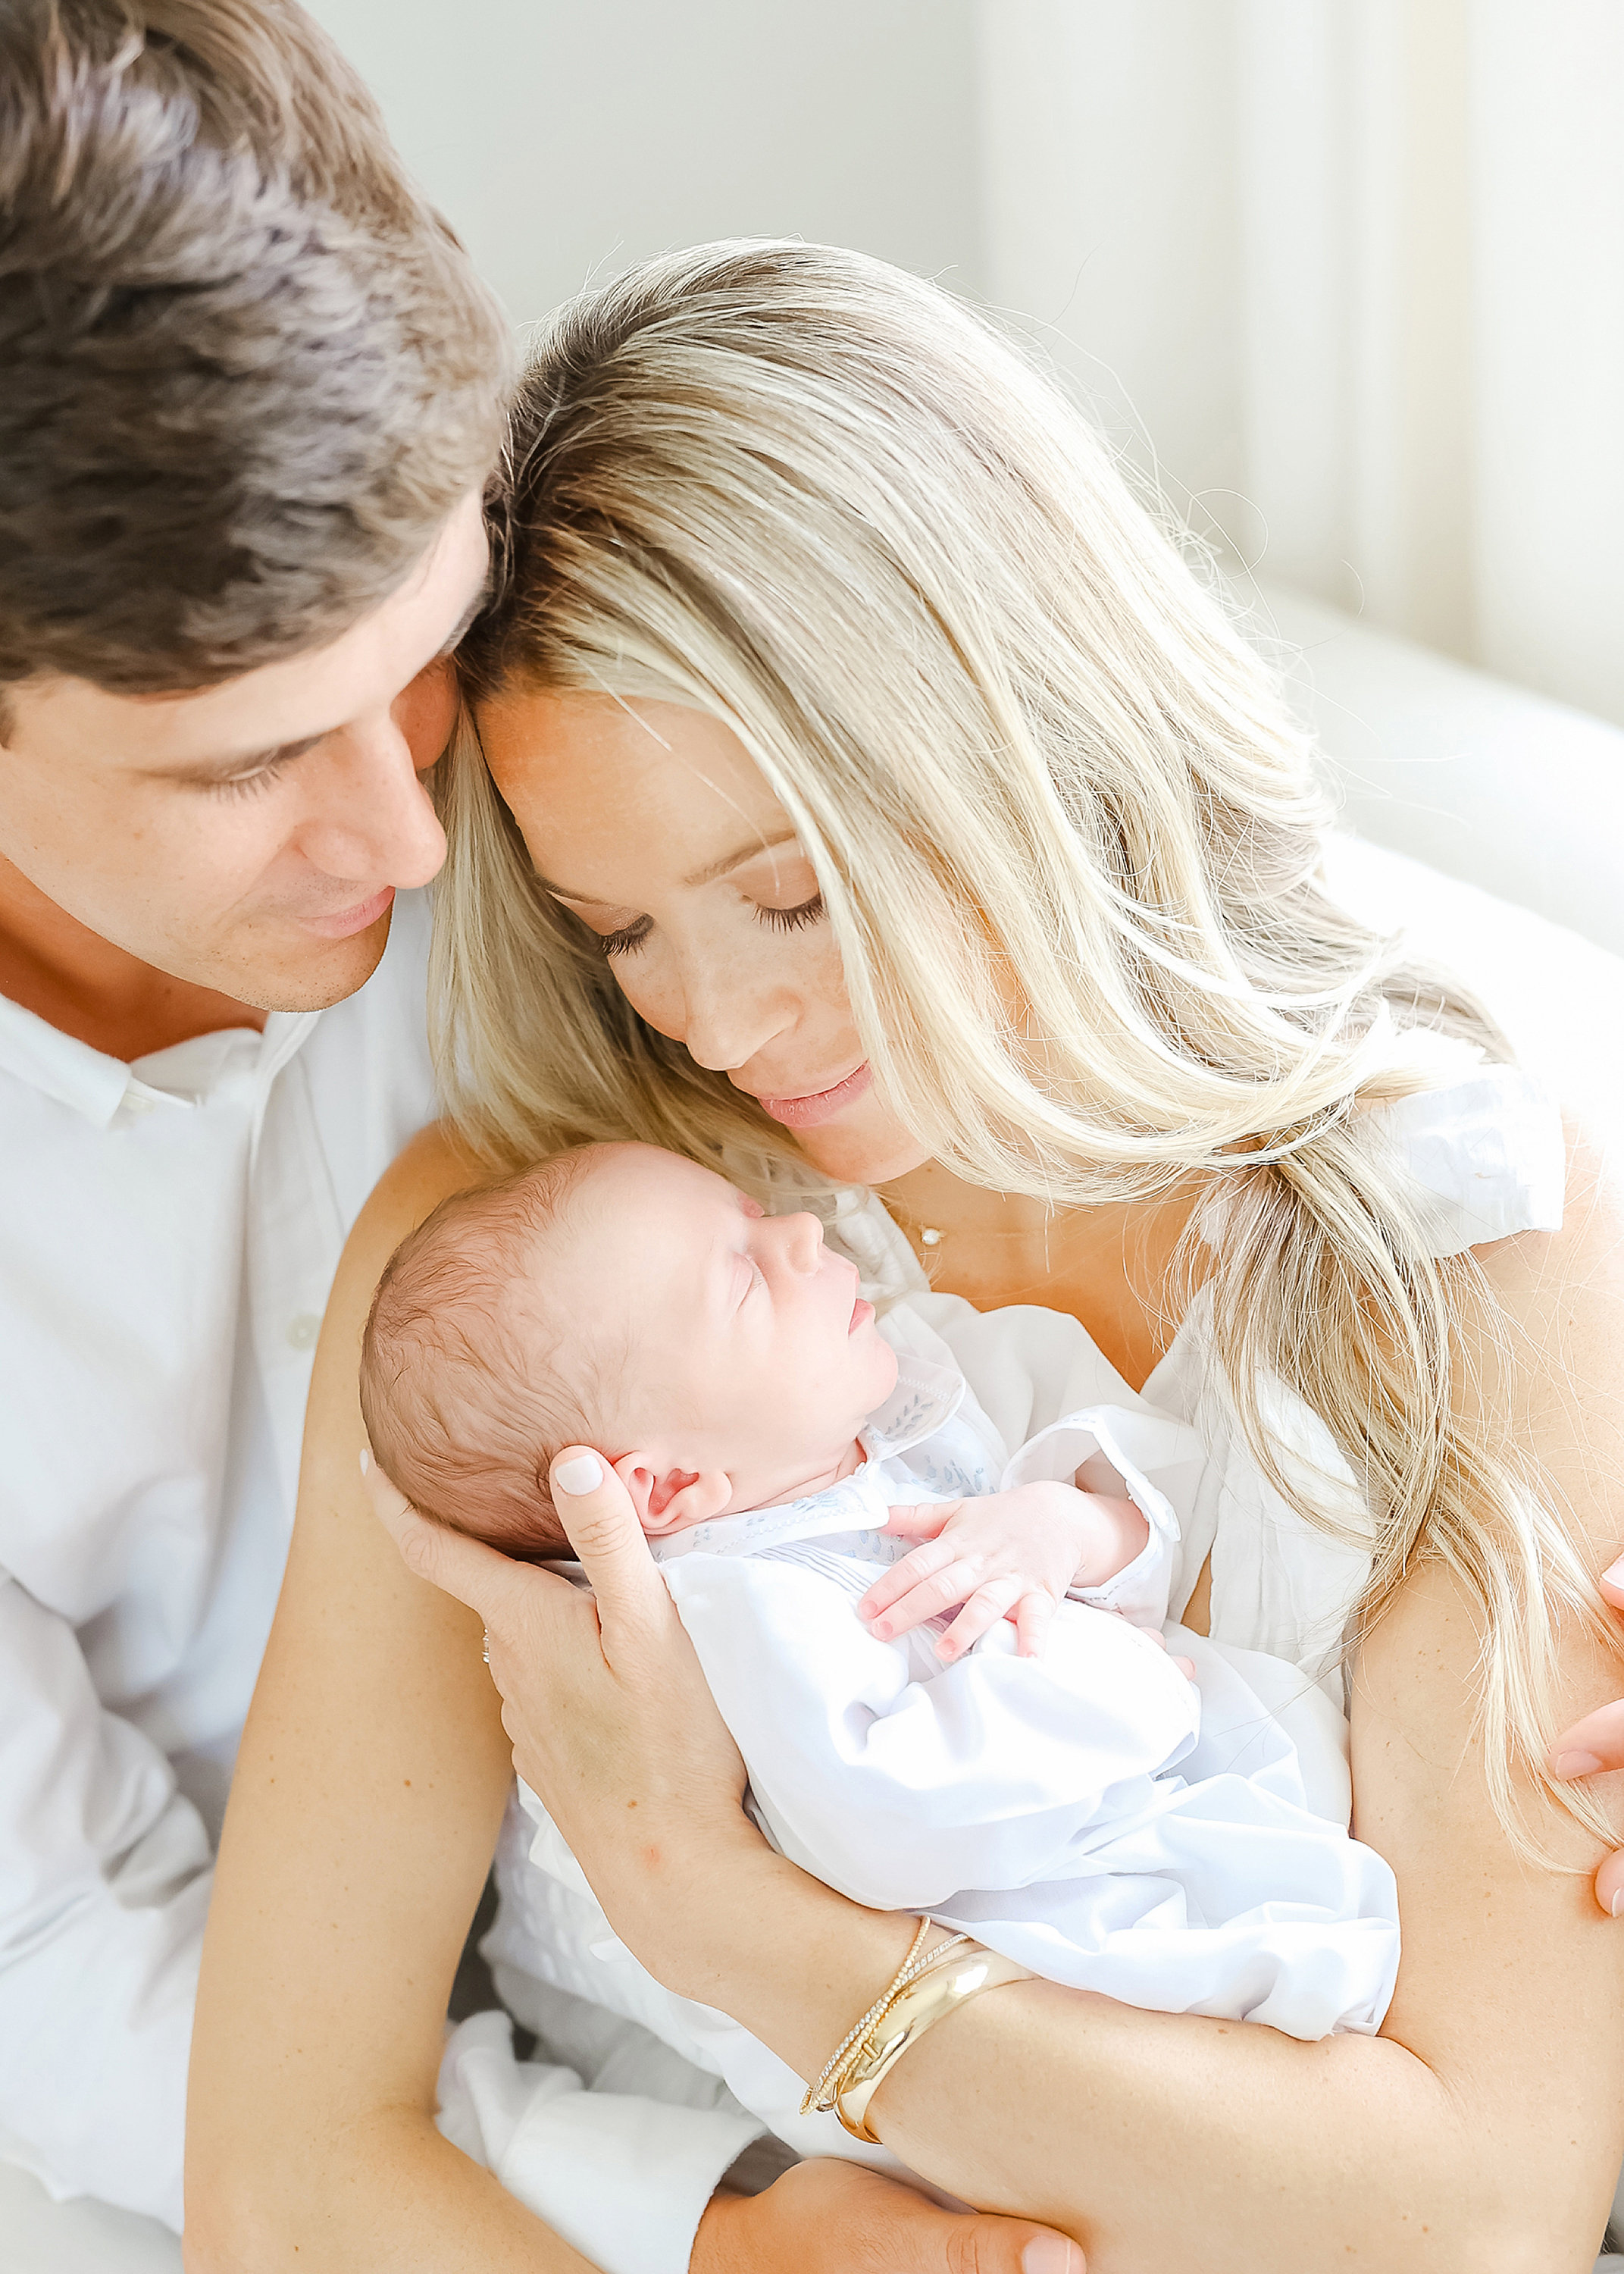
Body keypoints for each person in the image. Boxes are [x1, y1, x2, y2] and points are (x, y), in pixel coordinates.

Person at [191, 239, 1624, 2273]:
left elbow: (1477, 2215)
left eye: (789, 893)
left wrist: (729, 1916)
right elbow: (286, 2172)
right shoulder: (534, 1287)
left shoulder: (1458, 1242)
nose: (718, 1022)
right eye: (621, 928)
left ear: (1011, 722)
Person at [1, 11, 1050, 2271]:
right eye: (243, 767)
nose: (406, 837)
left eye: (424, 651)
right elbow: (57, 1963)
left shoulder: (573, 776)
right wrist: (702, 2213)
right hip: (342, 2051)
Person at [356, 1136, 1401, 2191]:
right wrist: (1125, 1684)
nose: (802, 1235)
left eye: (755, 1214)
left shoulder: (898, 1405)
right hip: (1023, 1919)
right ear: (669, 1490)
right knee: (1264, 1988)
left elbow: (1134, 1509)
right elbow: (904, 1816)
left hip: (1122, 1792)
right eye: (746, 1275)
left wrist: (1068, 1528)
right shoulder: (741, 1613)